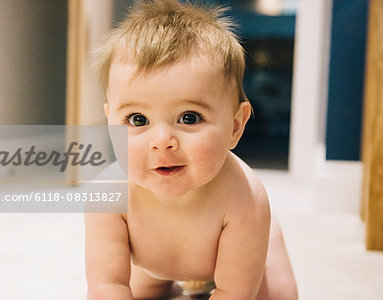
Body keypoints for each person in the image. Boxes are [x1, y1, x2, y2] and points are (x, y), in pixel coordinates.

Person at [85, 0, 298, 299]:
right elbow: (107, 285)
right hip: (153, 265)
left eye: (189, 118)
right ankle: (162, 281)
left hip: (239, 255)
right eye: (137, 119)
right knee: (140, 289)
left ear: (235, 127)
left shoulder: (244, 198)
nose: (162, 141)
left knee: (280, 296)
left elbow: (234, 292)